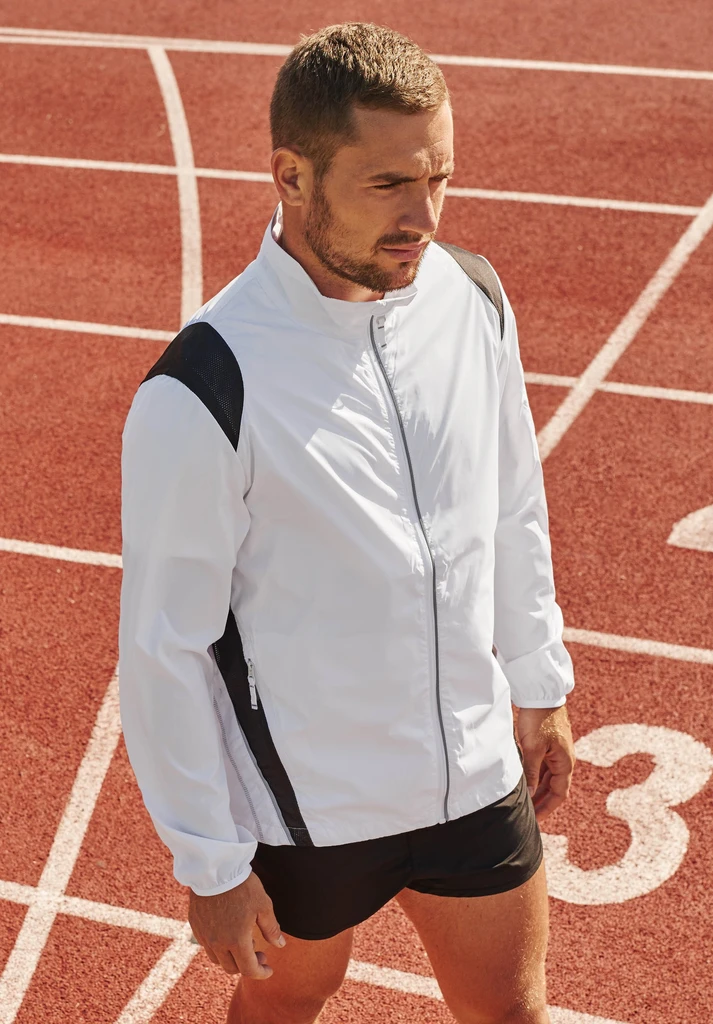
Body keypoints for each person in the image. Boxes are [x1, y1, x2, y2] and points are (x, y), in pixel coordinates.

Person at [119, 22, 576, 1024]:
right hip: (306, 808)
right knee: (287, 1005)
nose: (423, 217)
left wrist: (538, 680)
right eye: (388, 185)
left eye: (438, 178)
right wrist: (210, 861)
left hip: (470, 773)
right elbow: (162, 646)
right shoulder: (206, 386)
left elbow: (510, 493)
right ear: (291, 175)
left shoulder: (470, 297)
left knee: (512, 1012)